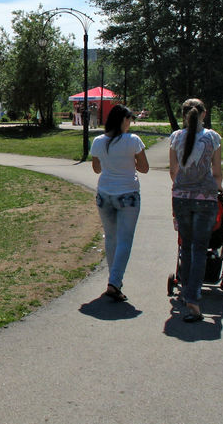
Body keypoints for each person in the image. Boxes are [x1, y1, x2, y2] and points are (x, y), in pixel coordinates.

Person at [169, 97, 223, 323]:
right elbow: (217, 172)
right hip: (206, 198)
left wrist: (183, 187)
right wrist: (216, 189)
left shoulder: (175, 138)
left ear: (183, 115)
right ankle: (193, 297)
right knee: (200, 248)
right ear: (204, 114)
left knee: (187, 246)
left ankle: (186, 292)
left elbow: (173, 171)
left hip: (181, 198)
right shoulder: (212, 137)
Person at [90, 105, 149, 302]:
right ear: (123, 120)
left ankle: (114, 279)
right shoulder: (133, 140)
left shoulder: (98, 141)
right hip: (128, 194)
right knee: (125, 239)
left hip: (104, 194)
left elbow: (97, 169)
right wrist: (129, 161)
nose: (130, 123)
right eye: (129, 119)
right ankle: (114, 283)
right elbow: (144, 168)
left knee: (111, 238)